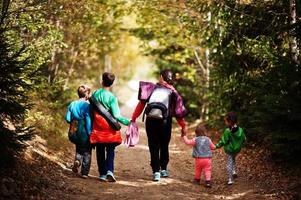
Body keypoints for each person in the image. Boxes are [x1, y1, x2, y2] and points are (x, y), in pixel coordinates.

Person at [131, 69, 188, 181]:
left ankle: (156, 172)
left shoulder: (151, 88)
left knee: (153, 145)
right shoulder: (174, 92)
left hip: (151, 121)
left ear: (161, 77)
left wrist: (133, 118)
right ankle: (164, 169)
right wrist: (183, 126)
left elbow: (141, 104)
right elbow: (178, 113)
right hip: (165, 122)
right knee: (164, 145)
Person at [90, 72, 130, 182]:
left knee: (100, 151)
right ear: (112, 84)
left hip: (98, 128)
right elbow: (117, 115)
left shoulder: (95, 94)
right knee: (111, 150)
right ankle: (109, 171)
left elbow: (91, 111)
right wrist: (128, 122)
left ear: (101, 81)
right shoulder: (112, 98)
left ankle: (102, 174)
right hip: (110, 130)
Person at [65, 84, 92, 179]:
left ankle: (77, 160)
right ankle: (84, 172)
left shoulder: (72, 104)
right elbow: (88, 121)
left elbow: (67, 119)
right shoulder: (87, 106)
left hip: (74, 131)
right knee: (87, 152)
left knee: (79, 148)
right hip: (84, 132)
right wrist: (90, 133)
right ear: (86, 94)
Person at [215, 111, 246, 185]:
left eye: (225, 121)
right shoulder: (241, 130)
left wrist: (216, 146)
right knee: (233, 158)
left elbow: (223, 141)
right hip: (237, 149)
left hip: (229, 150)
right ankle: (234, 171)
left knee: (229, 163)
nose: (225, 122)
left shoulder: (227, 131)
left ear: (229, 121)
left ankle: (230, 179)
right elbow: (244, 139)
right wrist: (239, 144)